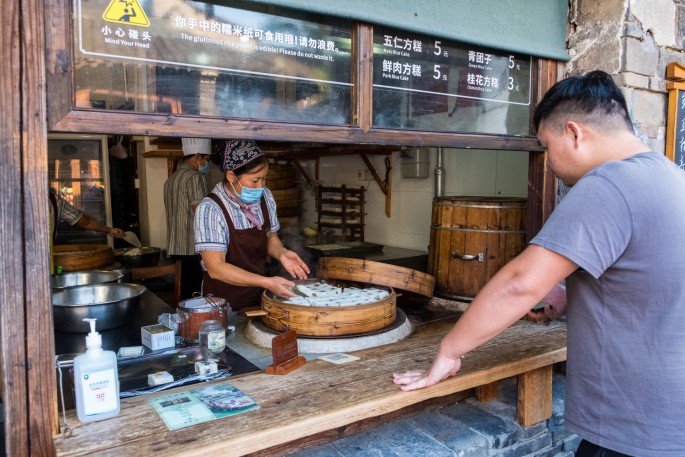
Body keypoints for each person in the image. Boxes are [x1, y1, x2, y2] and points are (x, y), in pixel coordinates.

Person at [392, 71, 685, 456]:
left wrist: (448, 352)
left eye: (547, 146)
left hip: (631, 424)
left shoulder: (608, 185)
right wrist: (567, 296)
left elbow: (519, 284)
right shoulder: (670, 176)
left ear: (574, 133)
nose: (547, 163)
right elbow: (651, 279)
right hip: (668, 414)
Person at [194, 139, 309, 311]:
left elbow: (271, 236)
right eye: (255, 181)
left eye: (264, 179)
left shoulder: (265, 196)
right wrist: (266, 282)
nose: (261, 186)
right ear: (231, 176)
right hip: (223, 303)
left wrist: (282, 253)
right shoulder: (210, 209)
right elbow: (216, 268)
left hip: (259, 296)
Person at [164, 137, 210, 299]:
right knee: (194, 296)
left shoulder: (171, 178)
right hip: (191, 247)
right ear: (197, 157)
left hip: (175, 246)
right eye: (206, 159)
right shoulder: (194, 177)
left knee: (182, 295)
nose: (206, 164)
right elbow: (201, 212)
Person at [49, 187, 125, 239]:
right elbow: (86, 222)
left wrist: (110, 230)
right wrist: (110, 230)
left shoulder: (56, 202)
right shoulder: (55, 201)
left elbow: (86, 222)